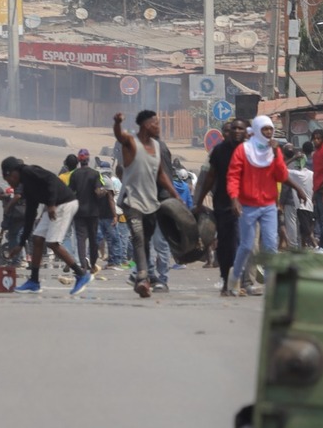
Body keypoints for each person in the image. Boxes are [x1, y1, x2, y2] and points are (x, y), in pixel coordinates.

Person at [226, 115, 305, 296]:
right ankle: (235, 276)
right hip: (247, 205)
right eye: (265, 129)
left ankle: (271, 283)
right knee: (246, 245)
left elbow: (281, 175)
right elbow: (233, 176)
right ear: (257, 129)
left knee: (271, 244)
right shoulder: (243, 150)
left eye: (270, 129)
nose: (269, 132)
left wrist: (277, 154)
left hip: (269, 205)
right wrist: (234, 198)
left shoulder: (274, 151)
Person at [0, 156, 90, 296]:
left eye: (9, 179)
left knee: (52, 243)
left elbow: (51, 179)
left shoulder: (29, 171)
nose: (10, 184)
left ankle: (81, 275)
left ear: (13, 173)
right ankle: (34, 281)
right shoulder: (26, 188)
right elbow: (30, 216)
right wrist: (21, 243)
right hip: (53, 206)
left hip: (64, 203)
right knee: (37, 238)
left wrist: (52, 203)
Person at [114, 110, 179, 298]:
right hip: (131, 200)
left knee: (146, 240)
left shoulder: (157, 147)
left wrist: (175, 194)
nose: (159, 127)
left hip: (151, 202)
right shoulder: (131, 142)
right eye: (155, 124)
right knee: (139, 238)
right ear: (145, 126)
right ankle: (143, 277)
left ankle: (144, 275)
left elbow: (161, 174)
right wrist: (117, 123)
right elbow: (120, 136)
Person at [195, 120, 248, 295]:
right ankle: (227, 280)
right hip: (224, 205)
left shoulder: (251, 150)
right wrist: (200, 200)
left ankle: (243, 281)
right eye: (232, 129)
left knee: (245, 244)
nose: (235, 132)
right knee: (227, 245)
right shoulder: (219, 151)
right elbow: (210, 177)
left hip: (248, 204)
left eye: (240, 128)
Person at [69, 148, 105, 273]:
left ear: (79, 161)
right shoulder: (95, 174)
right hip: (93, 212)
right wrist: (102, 192)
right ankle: (93, 263)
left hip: (79, 212)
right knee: (93, 238)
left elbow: (70, 193)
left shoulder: (74, 174)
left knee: (81, 239)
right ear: (88, 159)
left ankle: (83, 265)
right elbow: (98, 191)